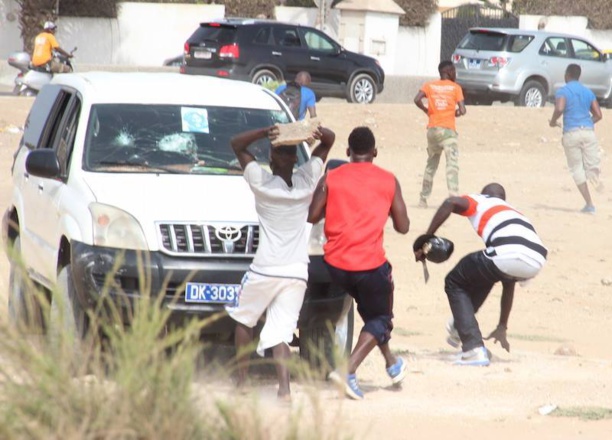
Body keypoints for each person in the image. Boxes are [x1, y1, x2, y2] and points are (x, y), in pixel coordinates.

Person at [227, 123, 335, 400]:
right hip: (296, 271)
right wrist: (309, 130)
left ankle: (242, 382)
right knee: (282, 332)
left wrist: (265, 132)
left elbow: (237, 144)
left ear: (273, 159)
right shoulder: (306, 182)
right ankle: (284, 389)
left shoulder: (262, 185)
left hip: (264, 268)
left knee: (244, 320)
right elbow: (329, 140)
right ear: (294, 158)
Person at [308, 126, 410, 400]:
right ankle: (348, 370)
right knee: (381, 318)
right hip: (368, 265)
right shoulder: (388, 180)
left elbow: (312, 215)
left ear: (347, 152)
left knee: (370, 313)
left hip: (336, 265)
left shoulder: (332, 177)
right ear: (375, 152)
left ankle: (392, 363)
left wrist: (331, 196)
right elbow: (403, 226)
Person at [415, 183, 547, 366]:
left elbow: (450, 202)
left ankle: (472, 348)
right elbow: (508, 282)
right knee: (487, 272)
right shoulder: (515, 212)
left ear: (485, 194)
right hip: (536, 260)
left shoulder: (482, 200)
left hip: (507, 254)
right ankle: (460, 325)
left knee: (454, 281)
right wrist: (502, 326)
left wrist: (425, 239)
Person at [549, 63, 604, 214]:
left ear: (567, 75)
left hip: (571, 133)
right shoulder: (587, 92)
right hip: (587, 131)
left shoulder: (563, 91)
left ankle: (590, 204)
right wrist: (586, 123)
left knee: (576, 169)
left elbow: (560, 108)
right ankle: (595, 179)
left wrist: (553, 121)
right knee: (591, 164)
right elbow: (599, 115)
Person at [414, 60, 466, 208]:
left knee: (431, 165)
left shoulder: (429, 86)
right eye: (454, 71)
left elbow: (416, 99)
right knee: (452, 164)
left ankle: (423, 199)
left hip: (432, 130)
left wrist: (426, 110)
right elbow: (462, 110)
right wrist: (456, 112)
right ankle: (454, 197)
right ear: (449, 71)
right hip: (448, 132)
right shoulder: (456, 88)